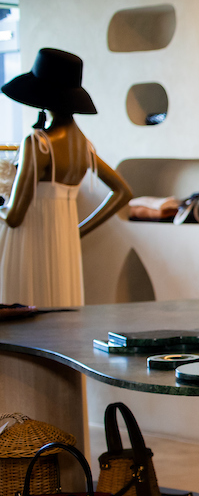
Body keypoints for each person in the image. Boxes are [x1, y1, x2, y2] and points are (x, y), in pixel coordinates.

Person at [0, 47, 131, 306]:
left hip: (31, 243)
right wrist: (76, 231)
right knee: (59, 316)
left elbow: (14, 217)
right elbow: (123, 192)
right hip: (63, 246)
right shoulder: (85, 146)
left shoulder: (38, 143)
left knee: (23, 315)